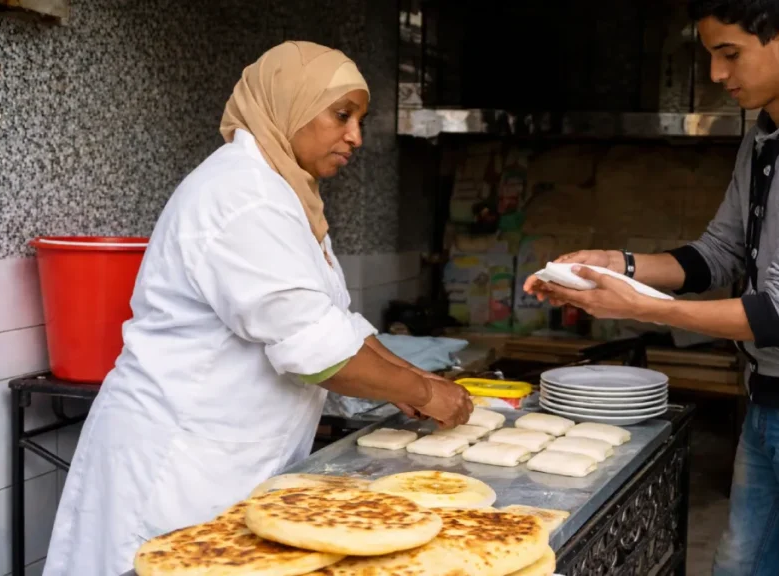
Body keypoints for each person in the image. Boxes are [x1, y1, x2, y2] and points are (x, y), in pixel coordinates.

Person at [42, 41, 473, 576]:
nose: (356, 136)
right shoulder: (242, 197)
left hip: (237, 457)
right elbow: (318, 356)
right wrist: (427, 393)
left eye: (361, 119)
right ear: (289, 104)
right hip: (180, 465)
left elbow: (333, 325)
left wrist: (418, 382)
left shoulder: (288, 195)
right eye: (342, 115)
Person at [525, 1, 779, 574]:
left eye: (730, 55)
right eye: (711, 57)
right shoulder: (768, 136)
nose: (718, 75)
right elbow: (717, 255)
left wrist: (645, 309)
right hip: (772, 399)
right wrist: (619, 266)